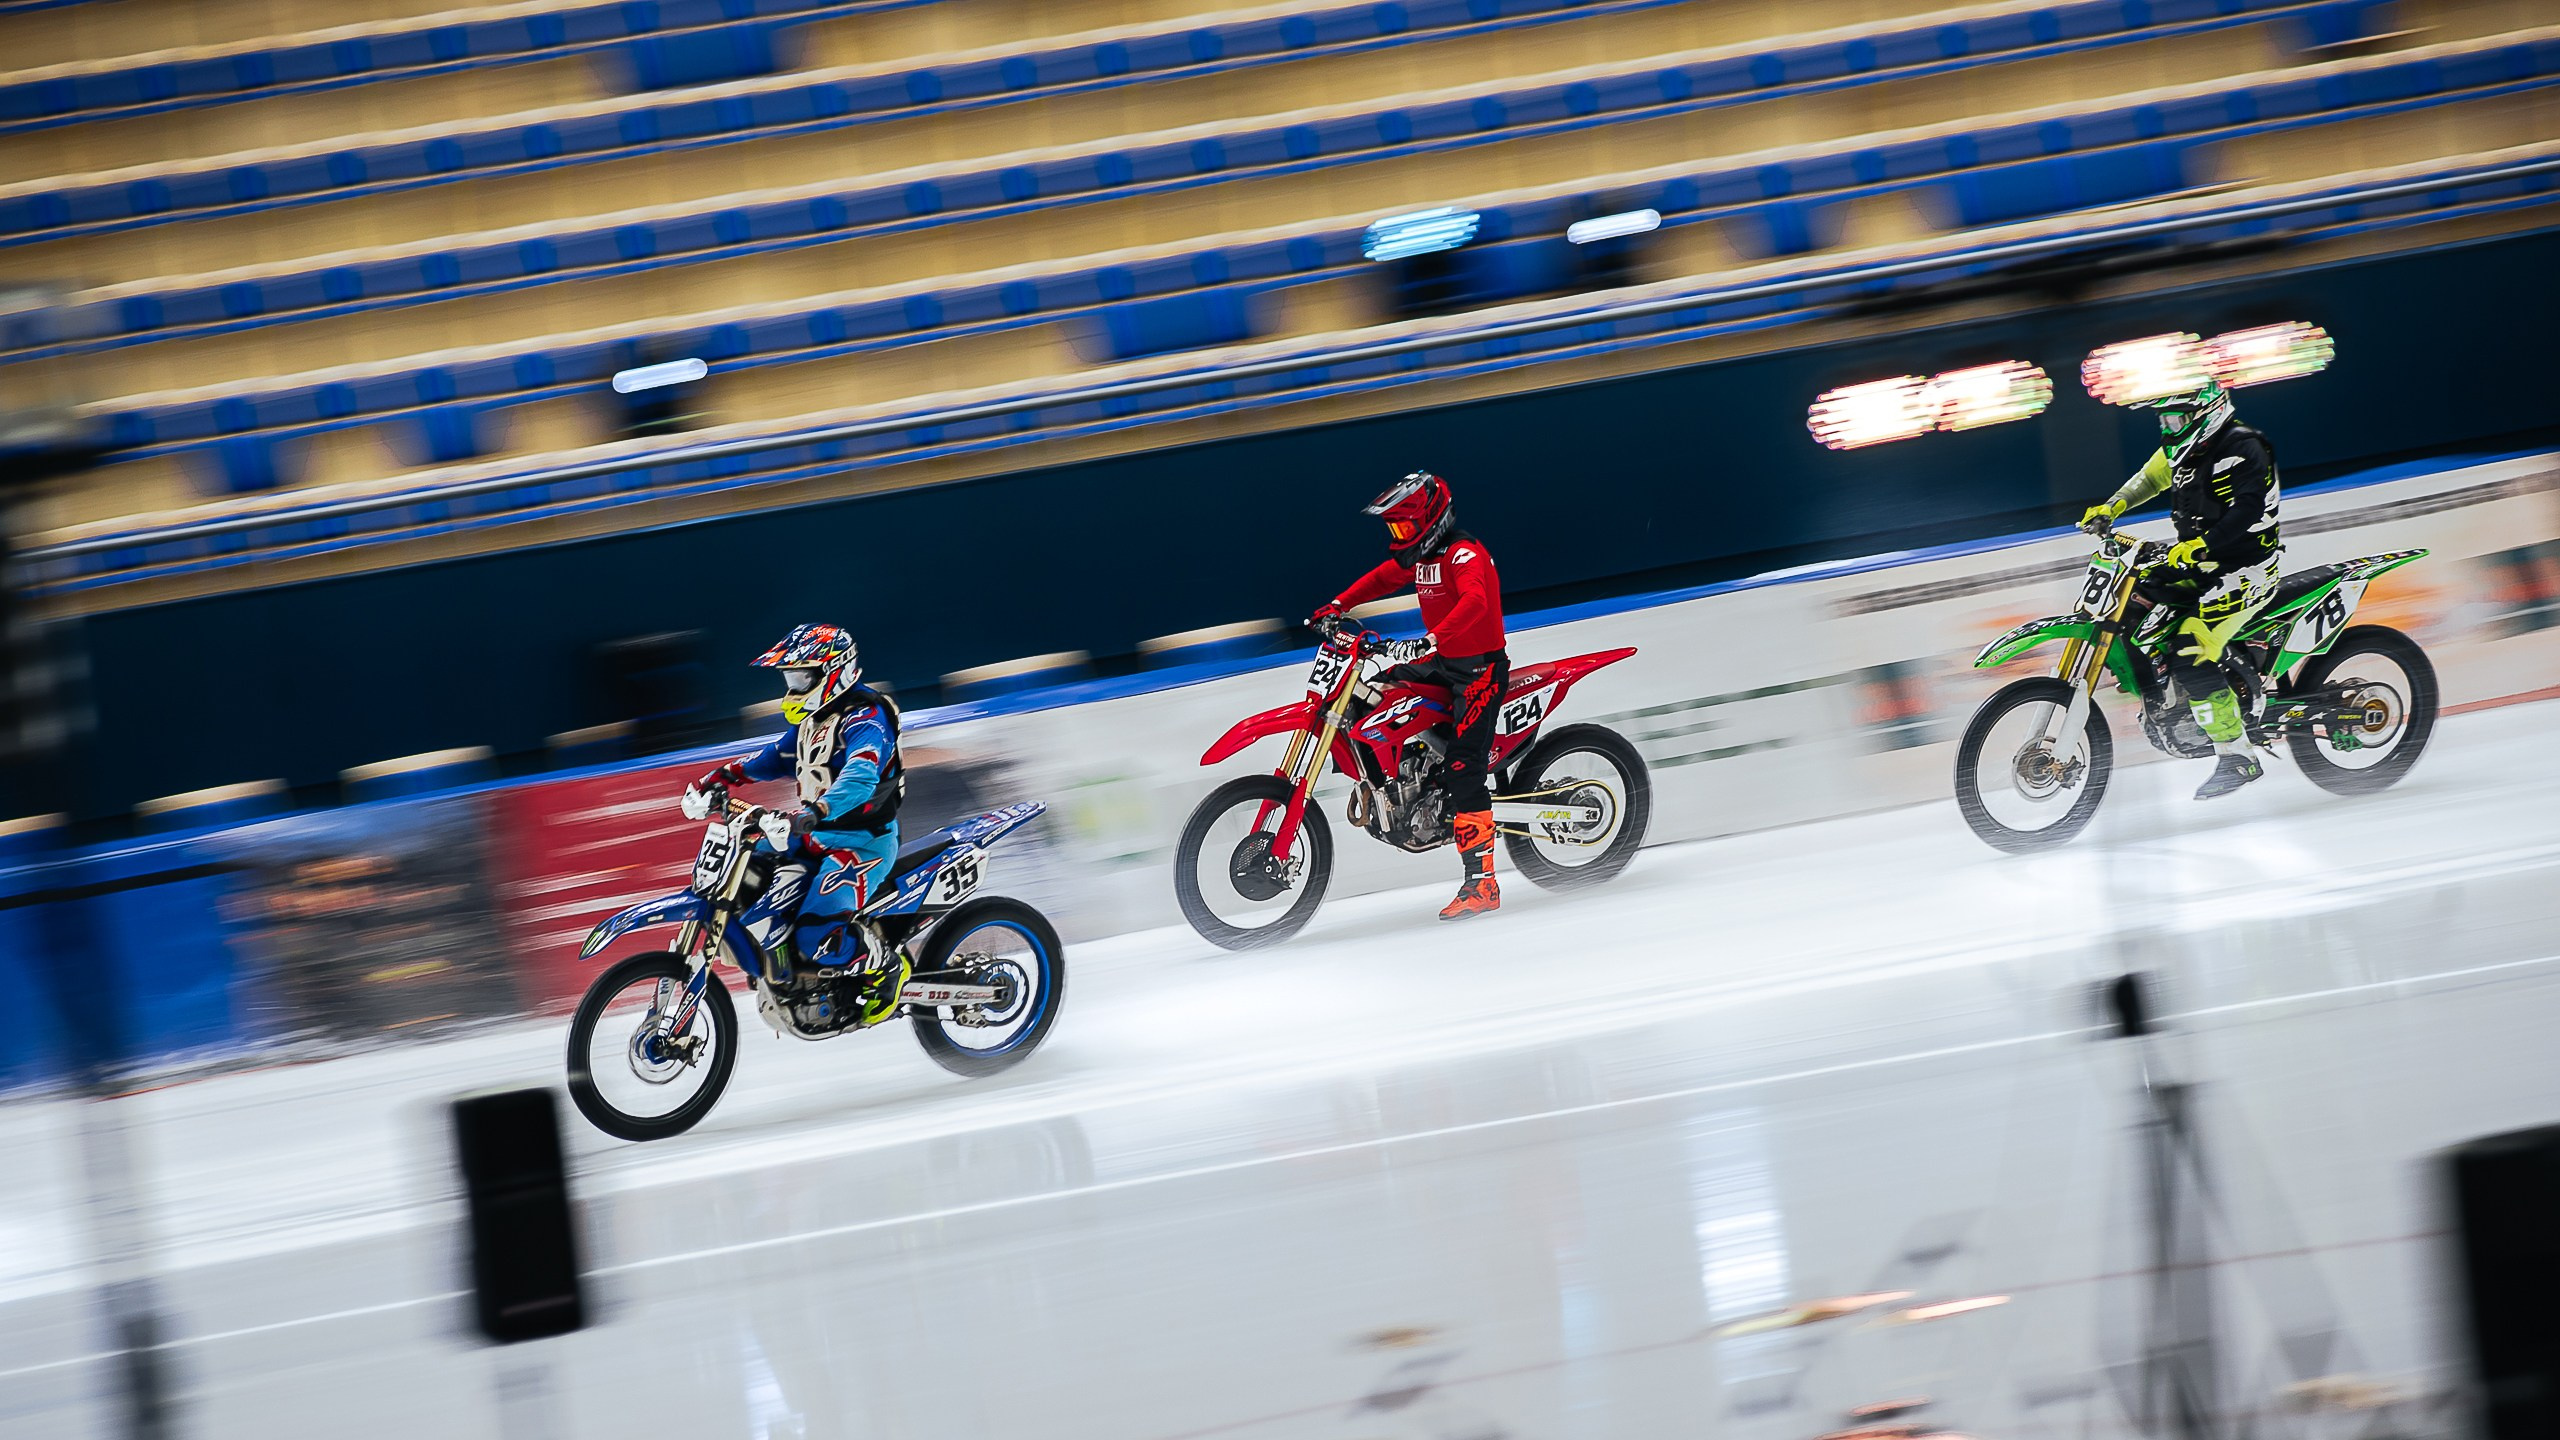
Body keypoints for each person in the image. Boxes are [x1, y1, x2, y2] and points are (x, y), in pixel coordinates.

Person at [1310, 470, 1510, 921]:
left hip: (1478, 671)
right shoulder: (1425, 556)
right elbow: (1381, 579)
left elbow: (1475, 602)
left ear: (1431, 519)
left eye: (1403, 527)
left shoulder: (1463, 554)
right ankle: (1411, 779)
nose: (1398, 537)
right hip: (1443, 664)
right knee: (1377, 695)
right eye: (1394, 529)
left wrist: (1432, 639)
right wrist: (1338, 605)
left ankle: (1483, 884)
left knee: (1464, 770)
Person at [2078, 377, 2280, 800]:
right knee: (2130, 608)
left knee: (2190, 650)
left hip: (2246, 568)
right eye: (2164, 421)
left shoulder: (2246, 447)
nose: (2168, 429)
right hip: (2196, 561)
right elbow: (2147, 480)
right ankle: (2165, 700)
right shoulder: (2184, 451)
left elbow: (2248, 509)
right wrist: (2111, 507)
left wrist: (2200, 546)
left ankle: (2237, 755)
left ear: (2205, 413)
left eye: (2175, 419)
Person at [683, 624, 905, 995]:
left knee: (814, 934)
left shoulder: (867, 719)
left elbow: (860, 776)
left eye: (802, 675)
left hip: (863, 843)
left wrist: (817, 809)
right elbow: (775, 758)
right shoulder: (813, 720)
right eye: (791, 675)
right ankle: (779, 967)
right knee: (748, 872)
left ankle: (887, 965)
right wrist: (720, 777)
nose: (794, 684)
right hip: (815, 834)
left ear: (834, 670)